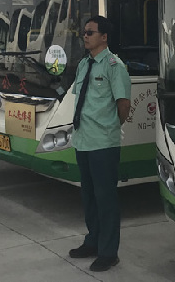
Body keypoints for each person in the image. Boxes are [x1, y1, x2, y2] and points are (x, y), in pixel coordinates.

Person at [68, 15, 131, 272]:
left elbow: (123, 105)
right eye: (84, 32)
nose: (85, 36)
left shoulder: (115, 66)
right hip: (83, 140)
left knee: (106, 199)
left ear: (104, 37)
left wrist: (109, 127)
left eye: (90, 32)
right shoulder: (84, 64)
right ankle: (92, 241)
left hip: (103, 143)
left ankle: (108, 252)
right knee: (89, 197)